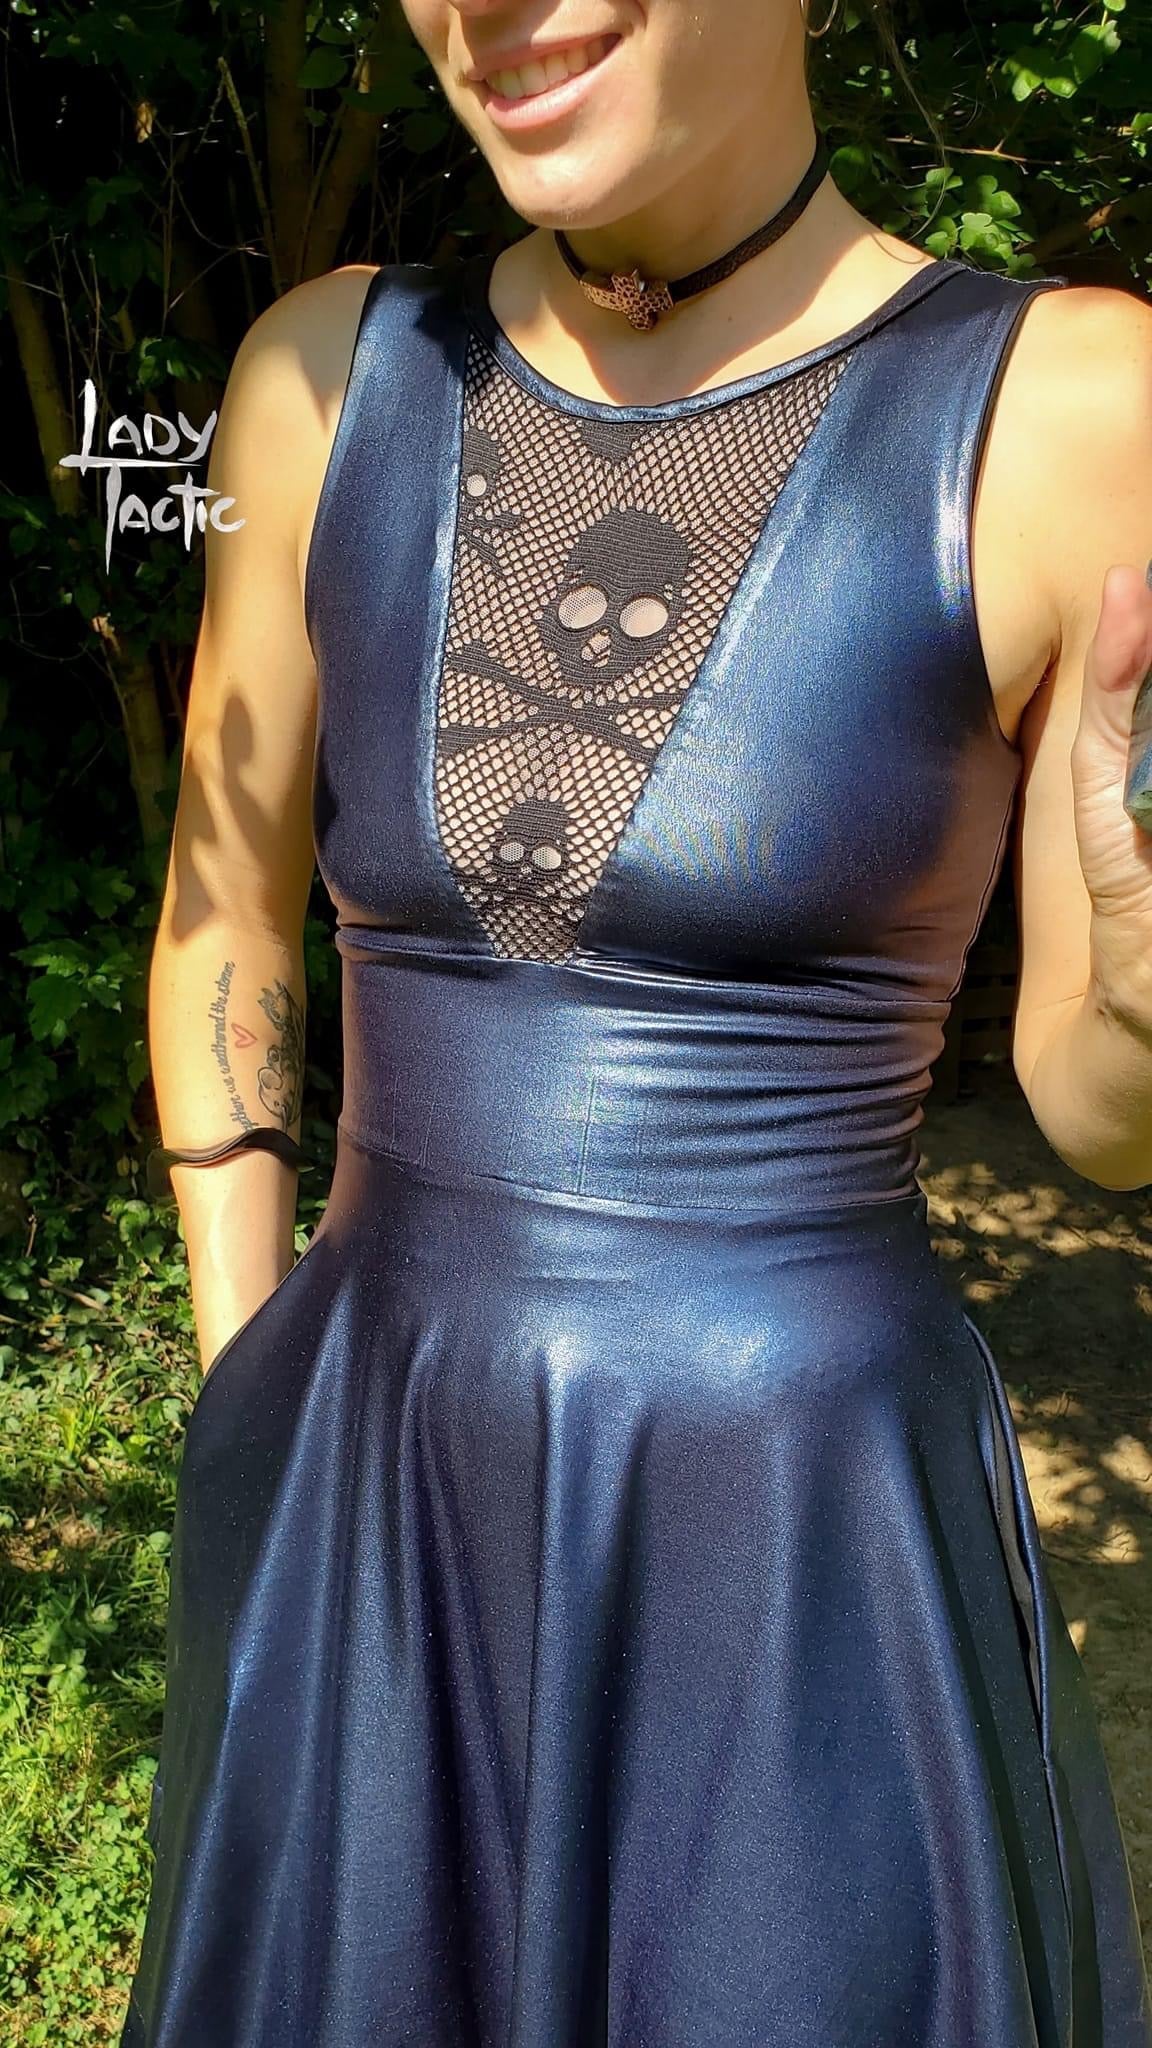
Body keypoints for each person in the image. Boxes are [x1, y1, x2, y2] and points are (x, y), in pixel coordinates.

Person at [121, 0, 1152, 2041]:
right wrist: (258, 1397)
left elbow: (1099, 1113)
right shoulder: (320, 380)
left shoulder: (1078, 404)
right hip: (371, 1497)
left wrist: (1135, 972)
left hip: (797, 1549)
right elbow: (223, 907)